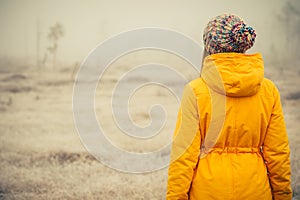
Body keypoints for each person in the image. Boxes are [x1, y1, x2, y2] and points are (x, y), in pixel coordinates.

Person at [166, 14, 292, 200]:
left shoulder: (195, 91)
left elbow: (183, 157)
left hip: (208, 193)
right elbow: (278, 154)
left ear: (209, 48)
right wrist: (283, 196)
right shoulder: (268, 90)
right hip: (256, 191)